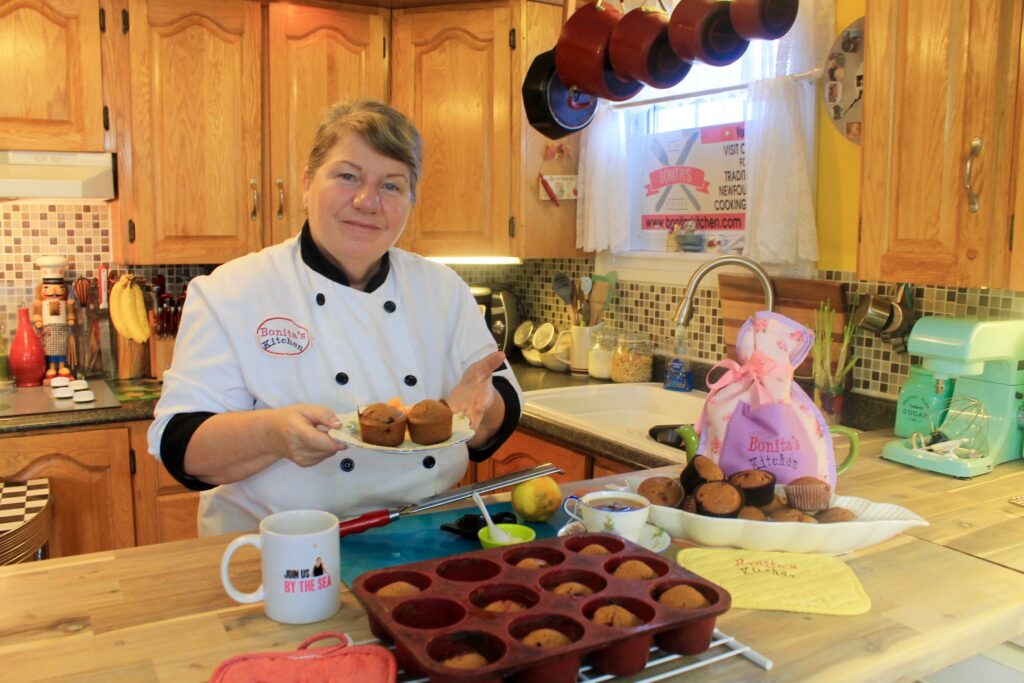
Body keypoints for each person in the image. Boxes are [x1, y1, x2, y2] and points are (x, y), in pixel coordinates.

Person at [148, 100, 523, 536]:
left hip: (426, 540)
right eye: (347, 176)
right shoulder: (231, 290)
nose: (367, 201)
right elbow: (180, 443)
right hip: (278, 551)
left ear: (409, 202)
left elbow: (496, 412)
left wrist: (483, 406)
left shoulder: (443, 290)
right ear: (307, 185)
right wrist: (271, 434)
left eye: (392, 186)